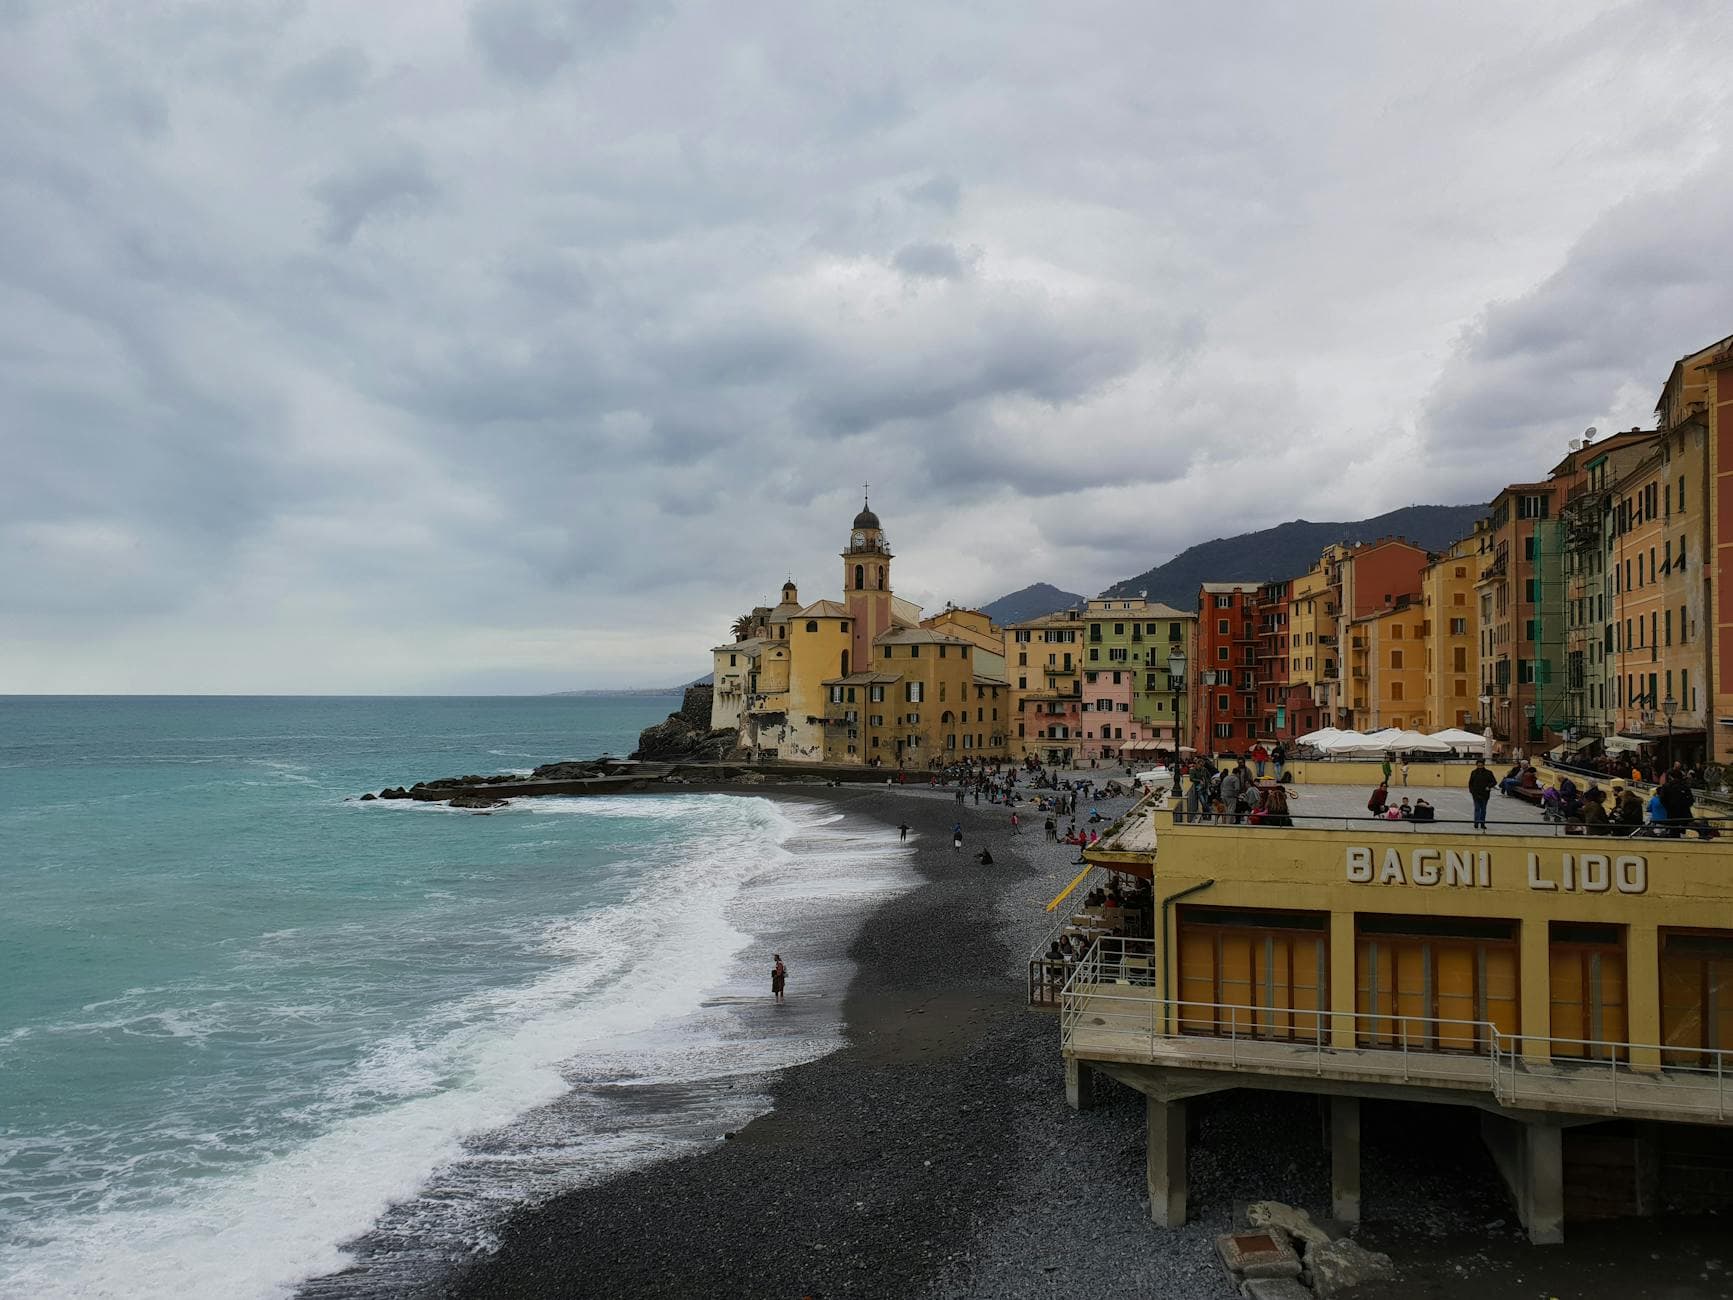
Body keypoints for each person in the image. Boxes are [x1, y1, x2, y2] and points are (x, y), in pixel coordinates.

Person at [1468, 758, 1495, 830]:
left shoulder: (1489, 773)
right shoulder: (1473, 772)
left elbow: (1494, 782)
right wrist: (1471, 790)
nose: (1479, 766)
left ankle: (1482, 823)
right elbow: (1470, 783)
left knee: (1483, 809)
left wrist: (1489, 787)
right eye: (1478, 765)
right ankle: (1476, 823)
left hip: (1484, 794)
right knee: (1477, 808)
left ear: (1483, 765)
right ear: (1476, 765)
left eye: (1481, 765)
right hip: (1476, 793)